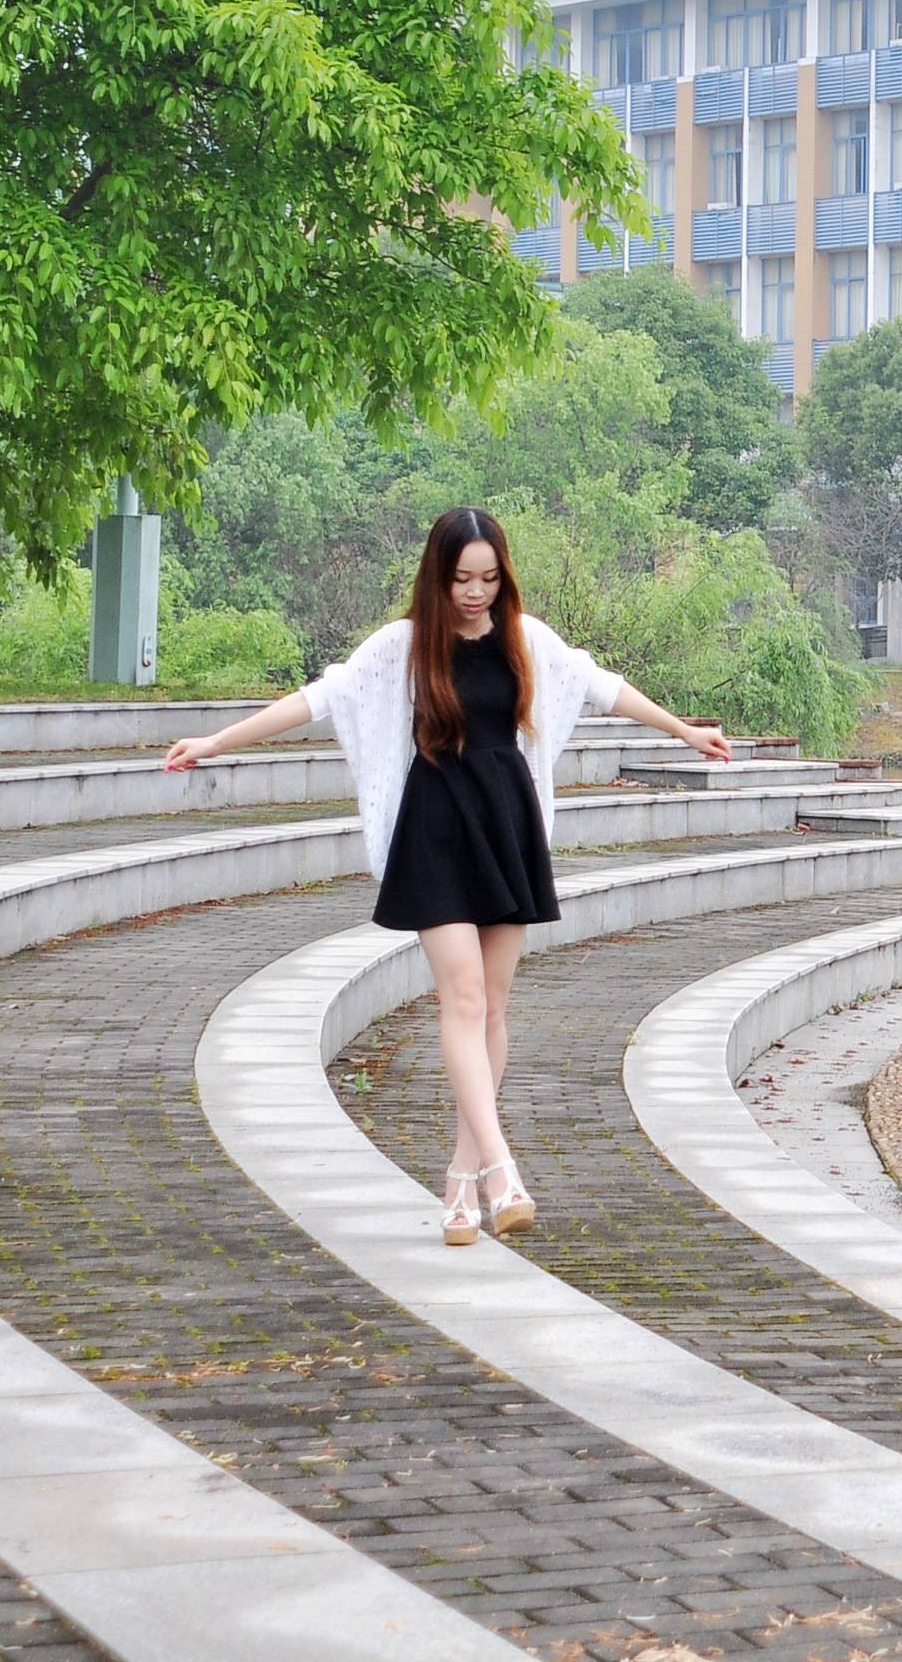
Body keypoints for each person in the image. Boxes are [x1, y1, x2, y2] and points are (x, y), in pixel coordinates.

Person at [164, 506, 733, 1244]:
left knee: (493, 1005)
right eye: (463, 578)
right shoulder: (404, 647)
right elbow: (318, 699)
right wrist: (214, 741)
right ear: (439, 575)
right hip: (435, 824)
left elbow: (600, 685)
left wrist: (684, 730)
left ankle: (461, 1183)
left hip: (506, 822)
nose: (476, 593)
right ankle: (502, 1169)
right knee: (460, 998)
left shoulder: (524, 640)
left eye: (489, 579)